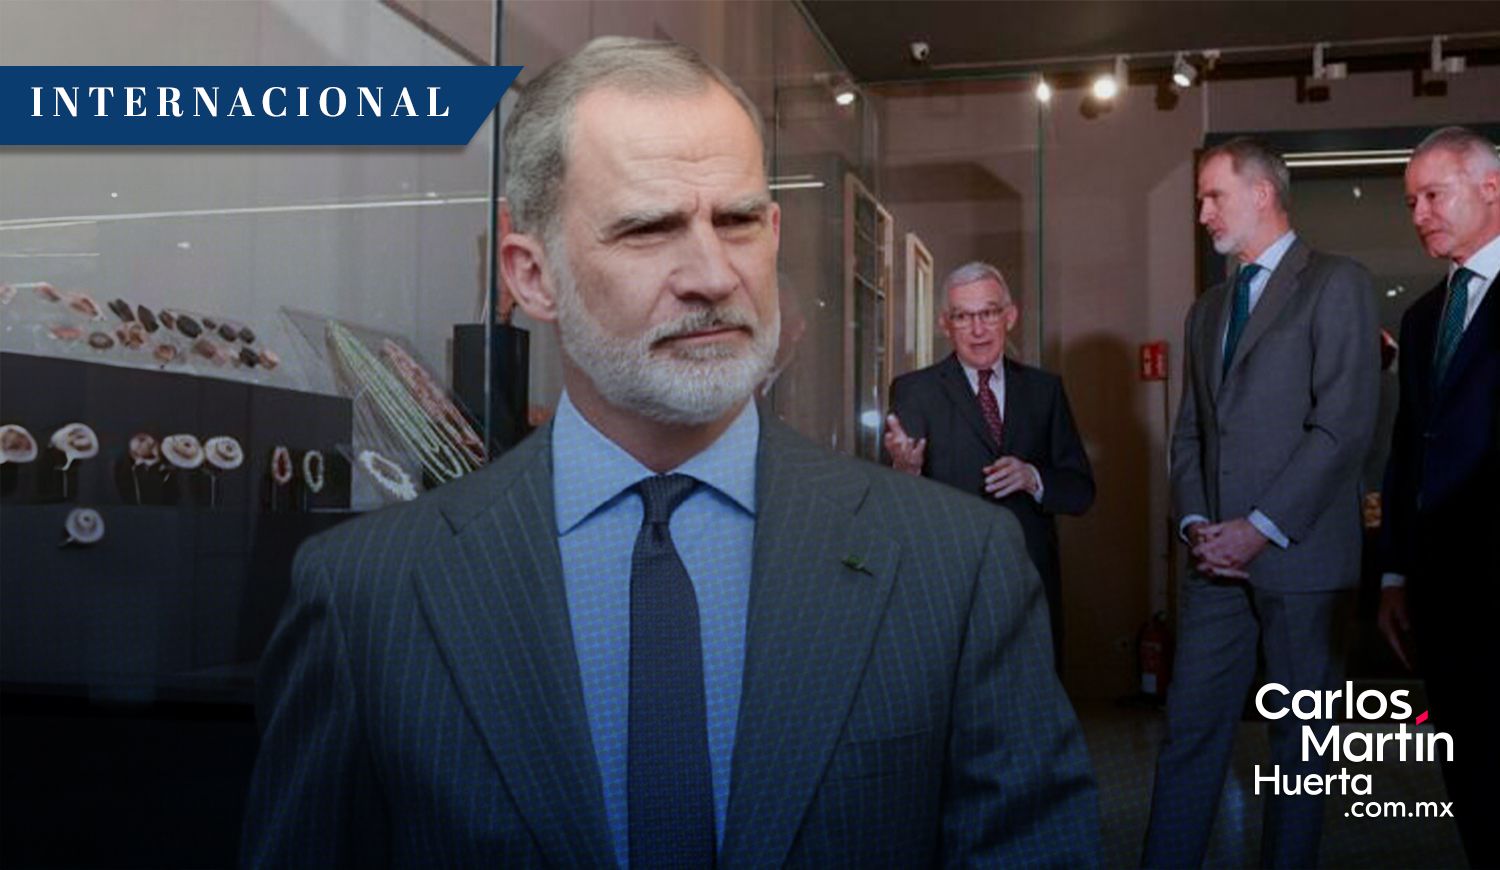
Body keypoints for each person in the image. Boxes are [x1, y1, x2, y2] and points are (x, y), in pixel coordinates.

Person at [242, 36, 1099, 867]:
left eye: (738, 221)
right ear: (533, 276)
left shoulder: (957, 569)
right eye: (649, 228)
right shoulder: (367, 598)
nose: (714, 275)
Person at [1142, 137, 1379, 868]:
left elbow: (1343, 427)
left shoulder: (1337, 282)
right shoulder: (1207, 310)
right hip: (1214, 565)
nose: (1203, 213)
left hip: (1302, 562)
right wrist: (1196, 524)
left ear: (1263, 194)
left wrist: (1260, 528)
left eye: (1214, 196)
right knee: (1189, 734)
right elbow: (1189, 435)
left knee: (1301, 751)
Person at [1378, 125, 1500, 868]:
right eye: (1411, 202)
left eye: (1433, 194)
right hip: (1443, 594)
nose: (1420, 213)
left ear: (1491, 188)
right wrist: (1394, 572)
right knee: (1471, 778)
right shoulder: (1425, 317)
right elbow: (1408, 449)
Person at [883, 262, 1094, 669]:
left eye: (989, 313)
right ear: (945, 324)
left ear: (1009, 316)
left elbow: (1080, 491)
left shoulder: (1044, 390)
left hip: (1028, 585)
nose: (978, 330)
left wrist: (1033, 477)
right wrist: (906, 472)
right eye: (963, 317)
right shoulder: (915, 391)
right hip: (949, 587)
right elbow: (890, 506)